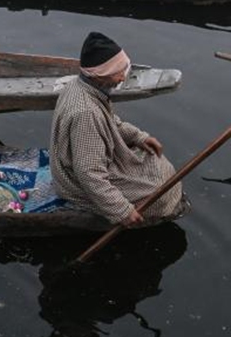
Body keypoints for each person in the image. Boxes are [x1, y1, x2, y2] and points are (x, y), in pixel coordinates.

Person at [49, 32, 183, 227]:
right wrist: (121, 210)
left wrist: (140, 137)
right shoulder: (86, 113)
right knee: (160, 192)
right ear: (101, 74)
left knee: (156, 162)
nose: (122, 78)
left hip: (81, 163)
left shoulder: (80, 86)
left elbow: (111, 123)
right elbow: (89, 174)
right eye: (118, 72)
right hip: (74, 183)